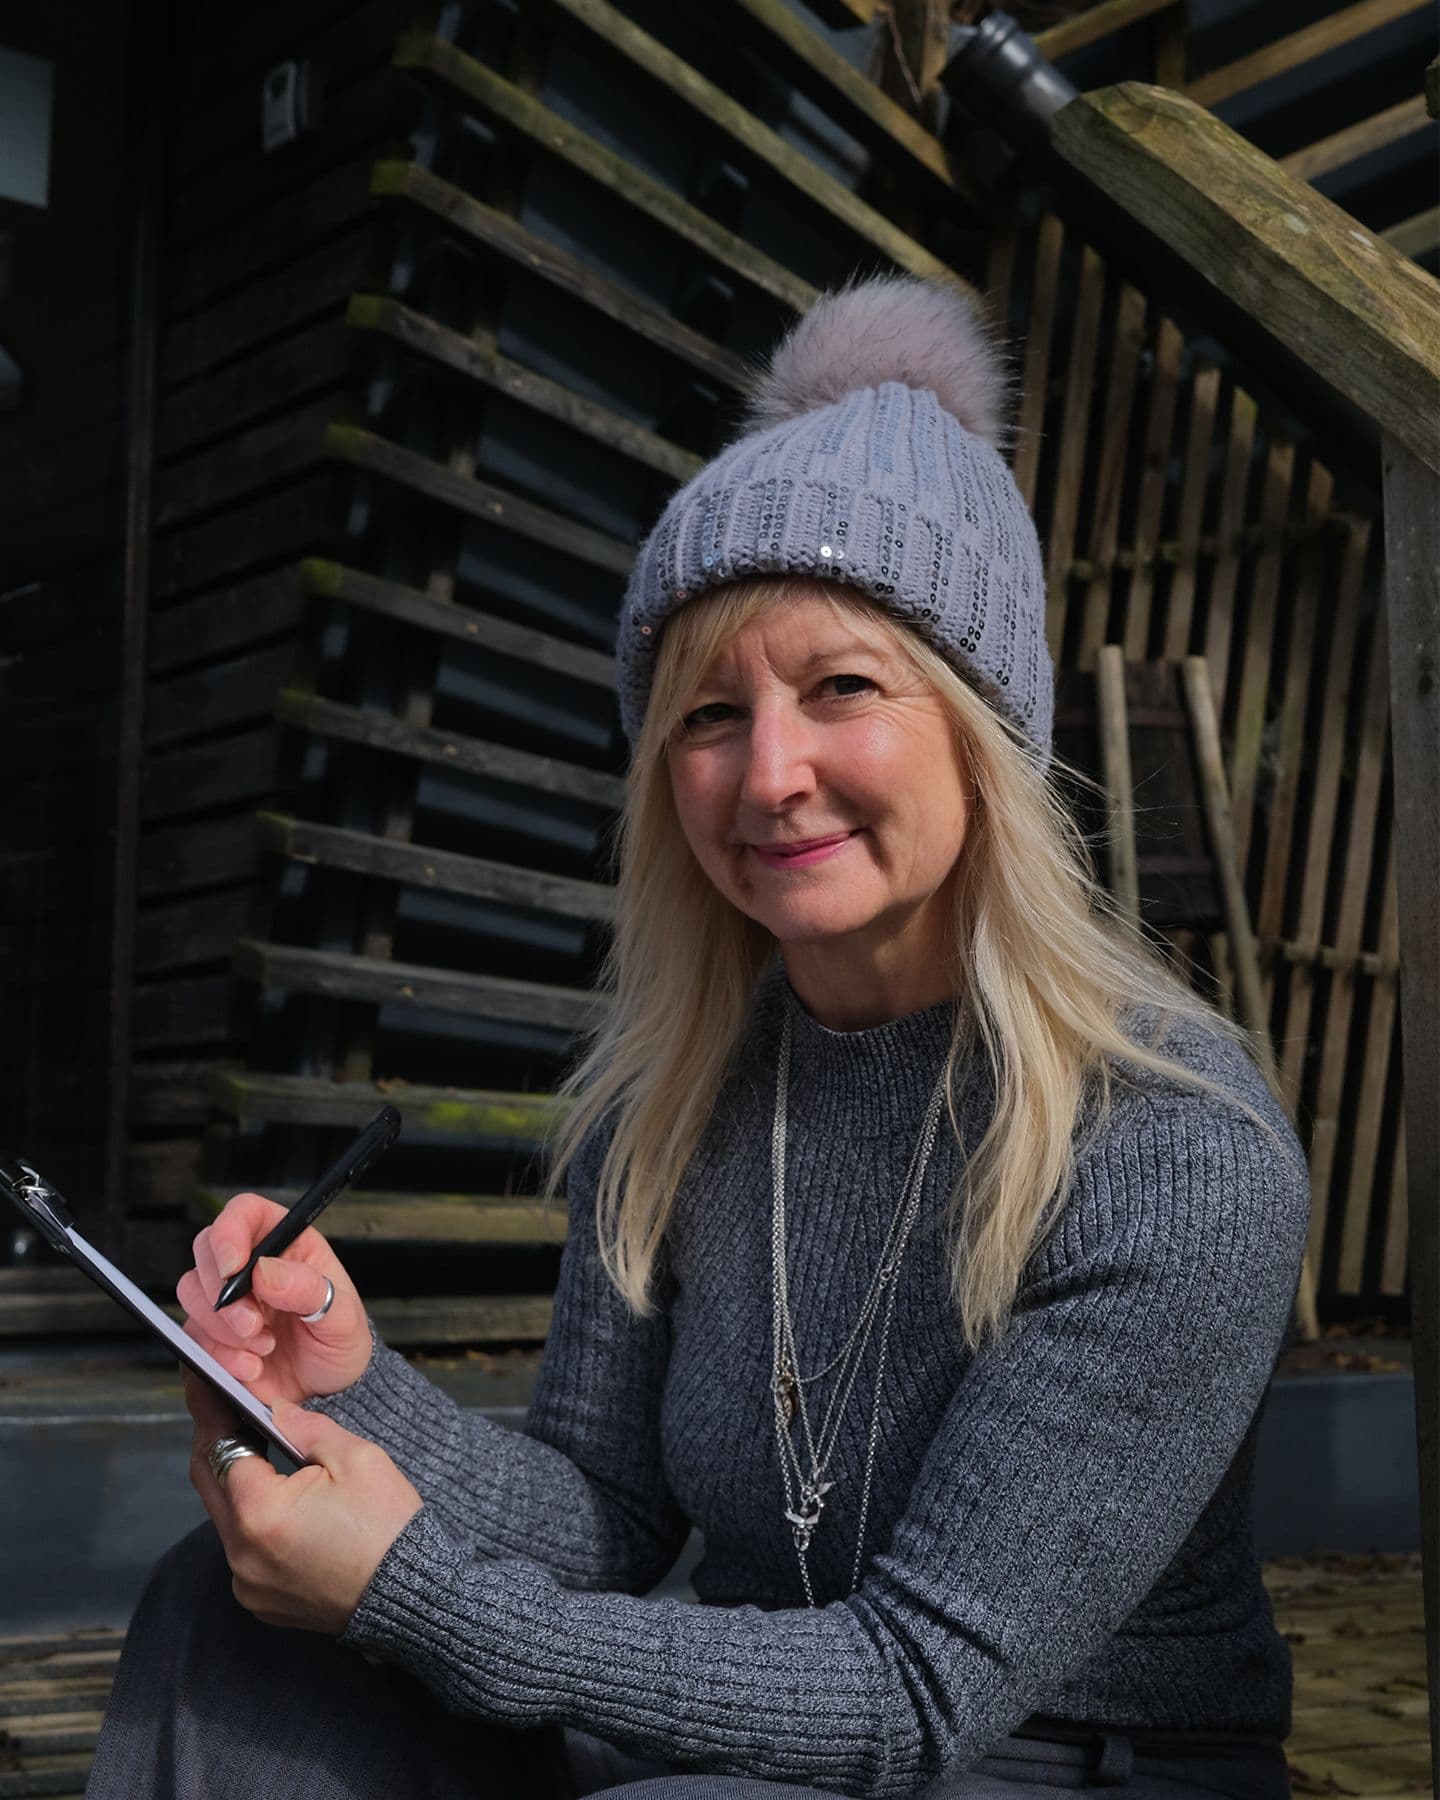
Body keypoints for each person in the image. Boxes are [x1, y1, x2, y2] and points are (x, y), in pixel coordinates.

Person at [88, 276, 1310, 1800]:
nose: (768, 774)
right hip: (733, 1735)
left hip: (1071, 1762)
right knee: (227, 1623)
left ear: (986, 728)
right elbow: (604, 1518)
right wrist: (344, 1382)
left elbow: (917, 1690)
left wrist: (406, 1589)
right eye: (707, 714)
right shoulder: (675, 1099)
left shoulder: (1173, 1142)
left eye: (842, 687)